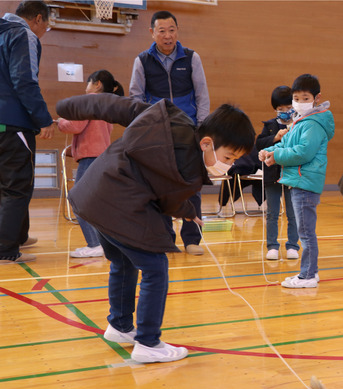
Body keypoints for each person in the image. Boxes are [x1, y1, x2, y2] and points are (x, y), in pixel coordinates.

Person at [57, 93, 255, 363]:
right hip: (119, 205)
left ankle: (120, 325)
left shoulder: (167, 119)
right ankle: (148, 342)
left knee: (124, 262)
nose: (228, 165)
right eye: (228, 157)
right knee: (155, 268)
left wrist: (67, 106)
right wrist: (186, 211)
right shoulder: (190, 171)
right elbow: (168, 201)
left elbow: (116, 106)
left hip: (93, 194)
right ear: (207, 143)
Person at [129, 10, 210, 256]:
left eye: (171, 30)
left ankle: (192, 239)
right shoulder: (142, 60)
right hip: (158, 133)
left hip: (188, 132)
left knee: (190, 186)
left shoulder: (191, 58)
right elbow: (135, 98)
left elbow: (202, 95)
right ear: (152, 32)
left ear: (178, 31)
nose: (167, 35)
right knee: (159, 187)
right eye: (161, 31)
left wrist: (202, 128)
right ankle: (165, 238)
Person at [259, 74, 334, 288]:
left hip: (305, 182)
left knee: (306, 233)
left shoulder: (314, 123)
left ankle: (307, 276)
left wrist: (277, 157)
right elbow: (287, 144)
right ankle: (312, 272)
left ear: (316, 98)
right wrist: (269, 150)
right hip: (299, 181)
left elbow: (303, 153)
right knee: (306, 231)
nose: (299, 103)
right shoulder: (300, 122)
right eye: (296, 98)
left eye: (305, 98)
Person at [0, 0, 55, 264]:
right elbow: (25, 80)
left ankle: (17, 235)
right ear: (38, 19)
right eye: (47, 25)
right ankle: (6, 249)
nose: (45, 31)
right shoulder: (23, 34)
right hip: (13, 123)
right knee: (17, 186)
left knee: (4, 185)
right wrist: (43, 119)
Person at [58, 70, 124, 258]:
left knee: (79, 200)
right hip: (100, 157)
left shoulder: (91, 99)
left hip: (91, 157)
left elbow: (74, 125)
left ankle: (95, 244)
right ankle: (102, 243)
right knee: (93, 203)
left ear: (97, 84)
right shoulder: (106, 104)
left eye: (88, 82)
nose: (86, 86)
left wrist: (60, 121)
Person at [255, 85, 300, 261]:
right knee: (272, 213)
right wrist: (275, 138)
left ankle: (293, 246)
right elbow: (259, 144)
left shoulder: (298, 125)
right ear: (275, 109)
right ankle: (272, 246)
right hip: (272, 177)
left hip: (292, 177)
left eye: (288, 108)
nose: (285, 112)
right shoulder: (270, 126)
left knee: (293, 213)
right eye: (280, 109)